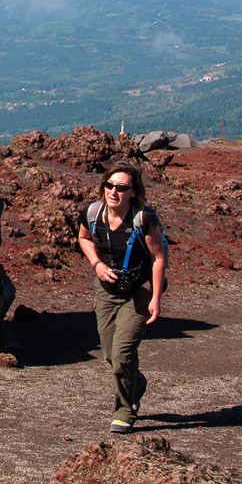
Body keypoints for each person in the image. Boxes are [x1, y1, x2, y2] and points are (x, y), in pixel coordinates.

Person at [78, 161, 168, 434]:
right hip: (106, 291)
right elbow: (83, 238)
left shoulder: (143, 219)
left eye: (121, 188)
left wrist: (155, 298)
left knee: (123, 352)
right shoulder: (93, 213)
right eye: (109, 185)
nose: (113, 192)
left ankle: (125, 409)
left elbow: (158, 257)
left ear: (132, 191)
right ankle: (136, 383)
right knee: (109, 354)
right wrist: (96, 264)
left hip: (138, 292)